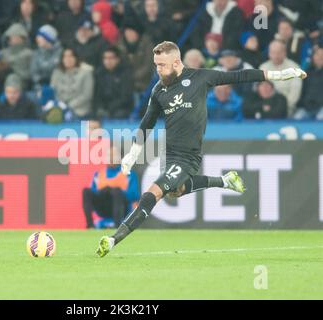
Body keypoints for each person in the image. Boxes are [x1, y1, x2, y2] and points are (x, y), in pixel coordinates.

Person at [96, 41, 307, 257]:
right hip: (170, 155)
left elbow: (240, 75)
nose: (158, 69)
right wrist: (132, 154)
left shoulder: (201, 78)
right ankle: (224, 181)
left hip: (188, 157)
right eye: (156, 65)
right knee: (175, 192)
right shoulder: (158, 90)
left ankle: (113, 239)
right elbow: (147, 123)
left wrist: (279, 75)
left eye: (162, 65)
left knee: (153, 193)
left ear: (176, 62)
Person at [83, 144, 140, 229]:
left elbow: (135, 195)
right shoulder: (98, 175)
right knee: (86, 191)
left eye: (114, 155)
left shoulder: (128, 174)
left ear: (121, 157)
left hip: (122, 208)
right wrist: (104, 191)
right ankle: (90, 226)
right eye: (109, 155)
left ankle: (117, 227)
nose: (111, 158)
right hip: (103, 208)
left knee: (116, 191)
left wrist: (114, 190)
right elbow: (93, 193)